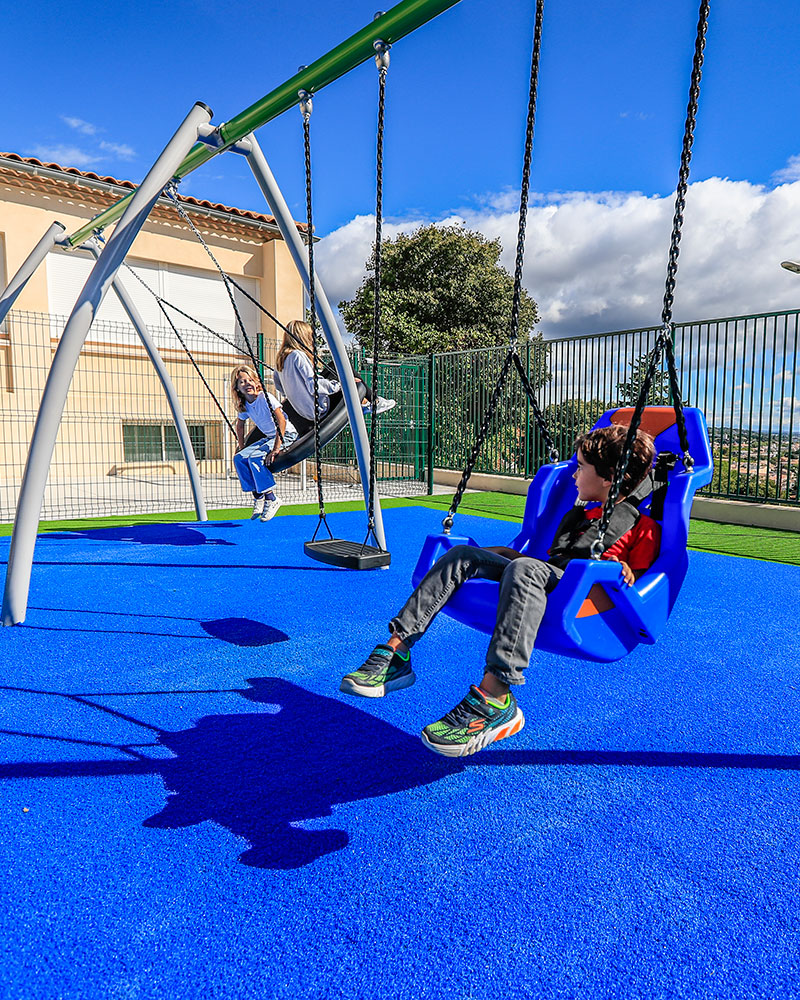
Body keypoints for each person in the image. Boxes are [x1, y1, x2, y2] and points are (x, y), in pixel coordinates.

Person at [340, 424, 660, 758]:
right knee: (463, 556)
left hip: (583, 598)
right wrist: (490, 555)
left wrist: (623, 570)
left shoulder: (642, 527)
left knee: (524, 568)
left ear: (609, 477)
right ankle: (397, 653)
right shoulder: (580, 515)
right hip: (545, 577)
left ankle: (497, 696)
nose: (574, 475)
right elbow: (543, 563)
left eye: (581, 467)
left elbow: (638, 581)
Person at [272, 320, 396, 435]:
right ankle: (374, 401)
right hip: (319, 409)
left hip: (305, 412)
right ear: (303, 337)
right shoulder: (297, 355)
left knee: (334, 365)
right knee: (344, 366)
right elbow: (314, 385)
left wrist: (297, 397)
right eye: (309, 336)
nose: (311, 340)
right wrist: (341, 384)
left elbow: (280, 387)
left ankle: (366, 403)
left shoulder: (280, 360)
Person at [231, 365, 297, 522]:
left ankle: (272, 498)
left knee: (255, 459)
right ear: (237, 388)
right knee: (239, 459)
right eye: (242, 382)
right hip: (269, 437)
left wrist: (276, 448)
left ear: (256, 382)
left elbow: (281, 420)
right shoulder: (244, 405)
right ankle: (258, 495)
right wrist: (242, 448)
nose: (247, 384)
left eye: (250, 380)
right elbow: (239, 427)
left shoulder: (265, 397)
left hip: (285, 434)